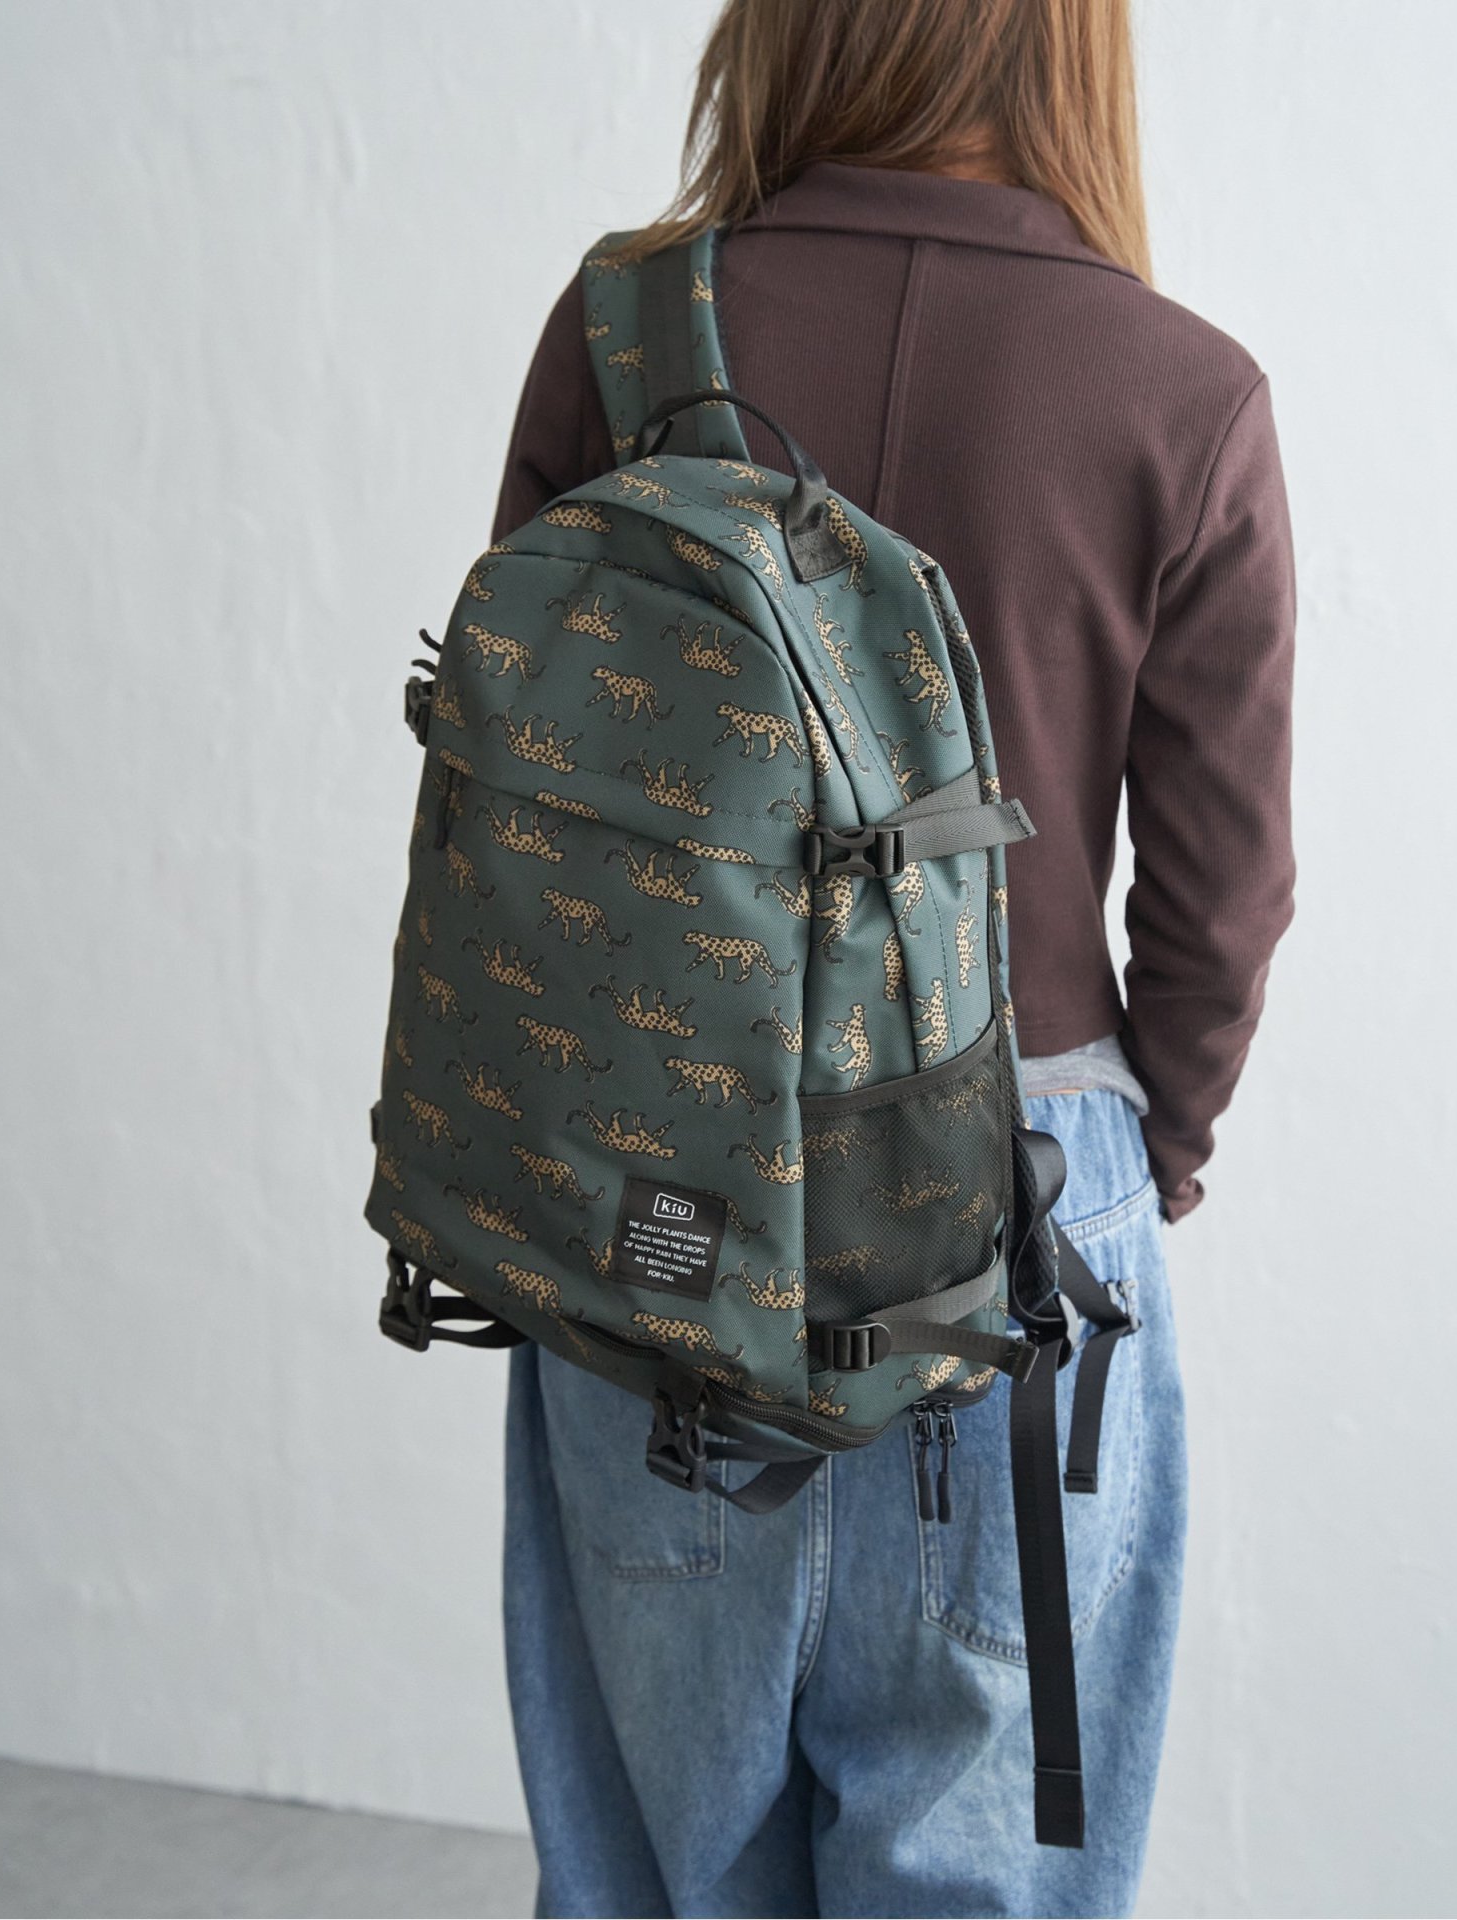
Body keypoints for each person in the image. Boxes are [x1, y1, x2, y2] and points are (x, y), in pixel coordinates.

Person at [491, 1, 1294, 1912]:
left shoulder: (625, 328)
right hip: (1025, 1210)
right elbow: (1224, 893)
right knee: (991, 1864)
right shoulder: (1182, 393)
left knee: (655, 1872)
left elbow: (523, 807)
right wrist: (1141, 1155)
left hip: (656, 1196)